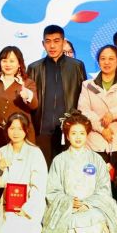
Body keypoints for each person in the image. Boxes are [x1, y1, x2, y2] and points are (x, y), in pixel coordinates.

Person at [43, 113, 117, 233]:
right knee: (71, 220)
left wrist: (87, 204)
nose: (78, 137)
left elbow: (104, 189)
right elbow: (52, 190)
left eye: (82, 133)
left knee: (96, 217)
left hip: (93, 206)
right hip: (68, 208)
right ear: (67, 136)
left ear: (87, 135)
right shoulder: (59, 160)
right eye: (73, 133)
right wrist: (69, 202)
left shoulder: (96, 159)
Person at [27, 25, 87, 165]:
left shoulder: (76, 66)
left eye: (56, 41)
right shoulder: (34, 68)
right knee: (43, 171)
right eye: (48, 41)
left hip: (69, 130)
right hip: (41, 131)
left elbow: (83, 98)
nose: (52, 46)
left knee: (68, 171)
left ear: (64, 42)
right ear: (43, 44)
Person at [0, 113, 48, 233]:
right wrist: (1, 168)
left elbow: (39, 186)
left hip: (28, 205)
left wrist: (27, 209)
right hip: (8, 204)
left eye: (20, 129)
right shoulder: (3, 150)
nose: (16, 132)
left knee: (17, 228)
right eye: (12, 128)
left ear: (26, 130)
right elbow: (1, 184)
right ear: (7, 130)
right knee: (3, 232)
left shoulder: (35, 152)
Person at [77, 44, 117, 162]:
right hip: (94, 143)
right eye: (103, 58)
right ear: (98, 62)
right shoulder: (87, 85)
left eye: (111, 59)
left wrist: (112, 114)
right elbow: (84, 110)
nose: (106, 62)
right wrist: (102, 129)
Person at [0, 46, 38, 148]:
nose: (8, 64)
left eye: (12, 61)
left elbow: (34, 105)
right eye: (4, 61)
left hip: (22, 136)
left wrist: (27, 96)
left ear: (19, 64)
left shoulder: (27, 83)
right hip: (0, 135)